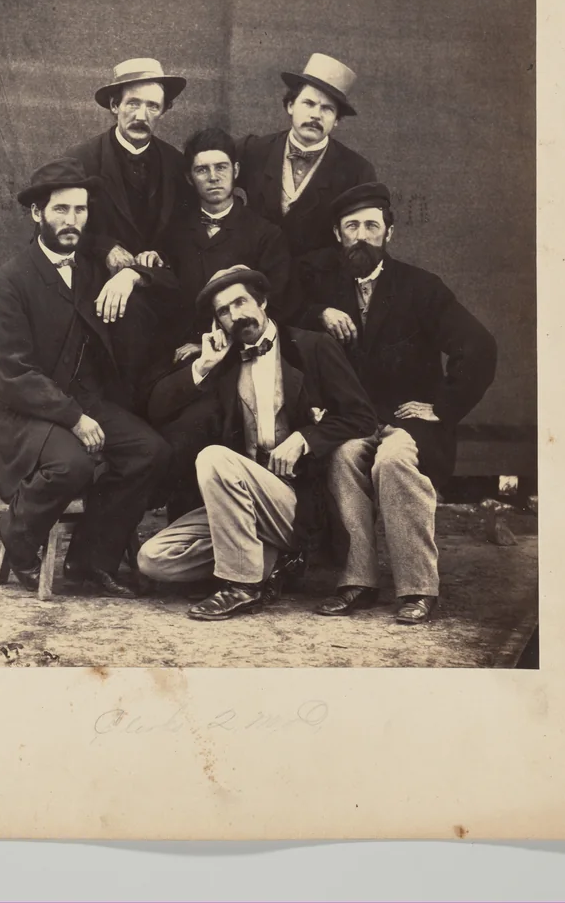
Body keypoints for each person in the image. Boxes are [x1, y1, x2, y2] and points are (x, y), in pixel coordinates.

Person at [296, 183, 498, 623]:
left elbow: (478, 346)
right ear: (338, 235)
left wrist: (441, 407)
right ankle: (357, 582)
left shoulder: (421, 287)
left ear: (390, 232)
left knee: (392, 461)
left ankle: (418, 589)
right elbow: (290, 330)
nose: (362, 235)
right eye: (353, 226)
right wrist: (319, 315)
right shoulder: (324, 291)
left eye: (372, 225)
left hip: (411, 424)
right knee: (344, 457)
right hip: (355, 420)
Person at [137, 265, 377, 620]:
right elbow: (158, 408)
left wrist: (305, 439)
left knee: (214, 458)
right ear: (217, 322)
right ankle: (273, 564)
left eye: (241, 302)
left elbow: (362, 417)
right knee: (153, 559)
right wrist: (204, 365)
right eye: (224, 311)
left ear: (262, 301)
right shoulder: (222, 365)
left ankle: (244, 586)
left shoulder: (312, 347)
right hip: (239, 503)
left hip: (296, 503)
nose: (236, 315)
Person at [0, 158, 171, 598]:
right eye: (61, 210)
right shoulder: (10, 281)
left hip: (86, 401)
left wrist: (129, 272)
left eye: (80, 211)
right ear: (37, 214)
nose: (72, 221)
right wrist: (73, 417)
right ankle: (17, 532)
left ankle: (91, 560)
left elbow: (168, 283)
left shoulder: (90, 268)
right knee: (73, 463)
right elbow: (11, 373)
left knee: (152, 451)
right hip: (25, 412)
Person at [135, 128, 295, 523]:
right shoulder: (173, 233)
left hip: (248, 362)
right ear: (189, 177)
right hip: (191, 361)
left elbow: (279, 308)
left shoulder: (264, 234)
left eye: (221, 167)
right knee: (183, 431)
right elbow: (166, 304)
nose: (213, 177)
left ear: (236, 170)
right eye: (202, 170)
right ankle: (187, 529)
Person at [237, 53, 377, 259]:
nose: (316, 115)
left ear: (336, 120)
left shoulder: (357, 171)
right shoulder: (253, 150)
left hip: (318, 284)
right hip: (255, 279)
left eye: (327, 109)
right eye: (309, 103)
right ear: (290, 106)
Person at [64, 57, 192, 270]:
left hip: (156, 287)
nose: (141, 116)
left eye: (152, 106)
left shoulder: (176, 163)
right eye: (133, 103)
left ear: (164, 110)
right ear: (115, 105)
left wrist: (159, 254)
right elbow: (53, 228)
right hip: (97, 286)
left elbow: (185, 231)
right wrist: (106, 248)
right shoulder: (79, 161)